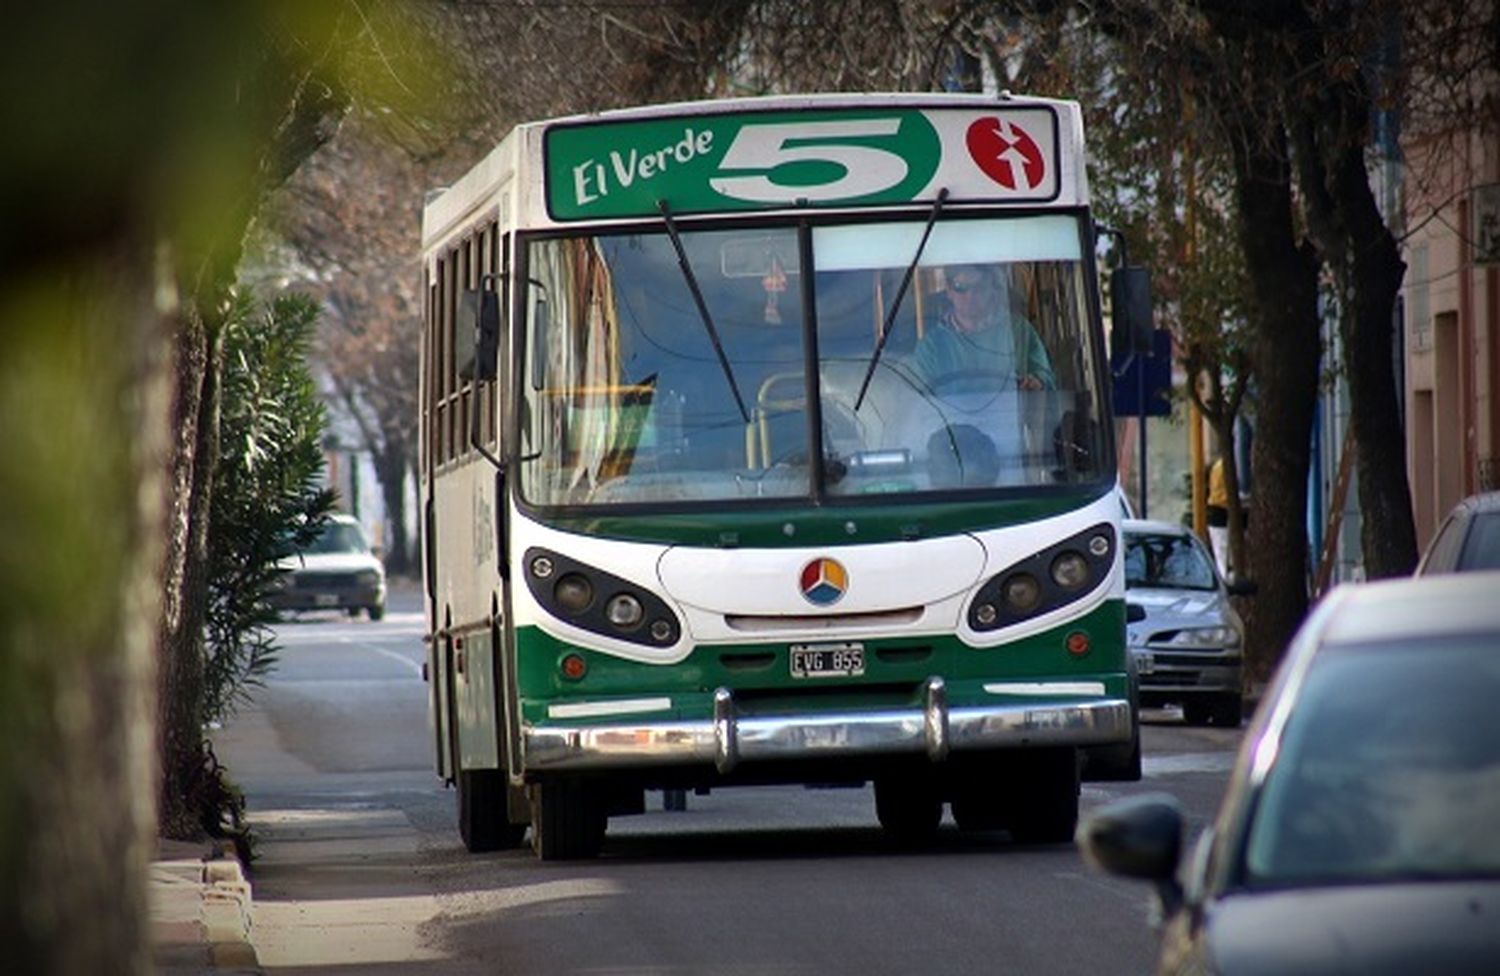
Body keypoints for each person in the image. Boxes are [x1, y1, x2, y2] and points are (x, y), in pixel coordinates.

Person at [911, 264, 1055, 393]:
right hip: (950, 422)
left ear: (992, 290)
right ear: (948, 290)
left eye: (979, 287)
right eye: (961, 287)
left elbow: (1046, 380)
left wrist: (1037, 382)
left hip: (1010, 420)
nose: (970, 296)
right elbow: (918, 401)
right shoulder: (931, 346)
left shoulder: (1018, 330)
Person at [1206, 455, 1230, 577]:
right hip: (1221, 508)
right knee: (1222, 550)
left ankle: (1223, 576)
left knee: (1220, 551)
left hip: (1216, 509)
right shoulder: (1227, 466)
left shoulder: (1218, 465)